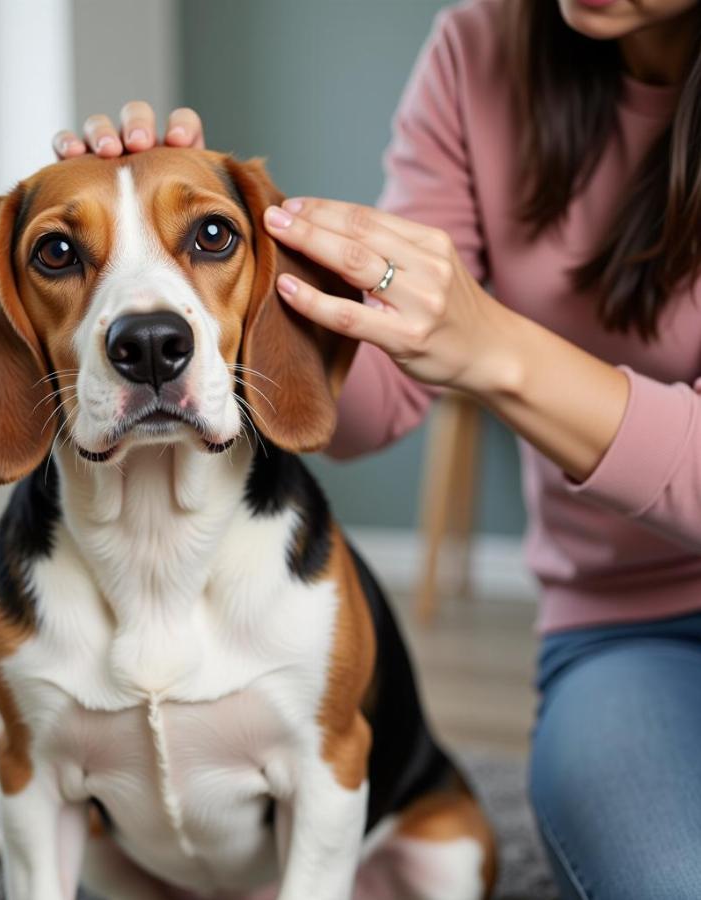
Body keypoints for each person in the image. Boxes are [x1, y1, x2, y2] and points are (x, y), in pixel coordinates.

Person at [52, 0, 701, 895]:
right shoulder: (480, 46)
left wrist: (496, 346)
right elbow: (363, 405)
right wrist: (209, 268)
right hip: (628, 629)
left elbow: (470, 341)